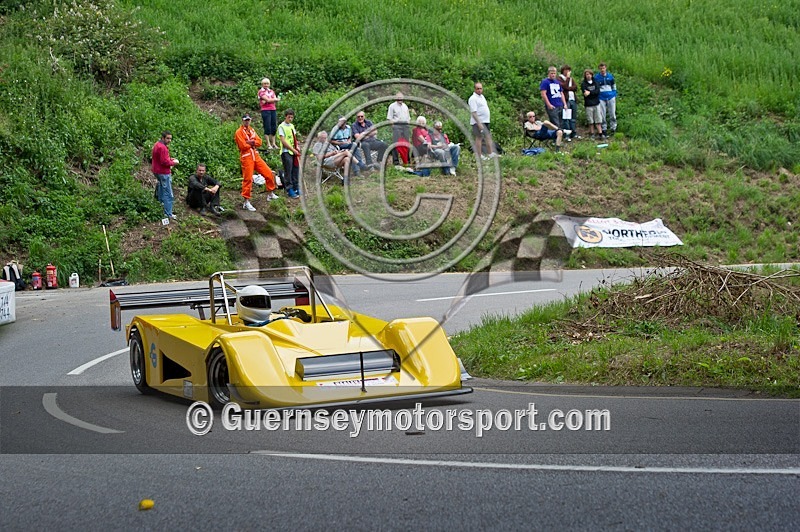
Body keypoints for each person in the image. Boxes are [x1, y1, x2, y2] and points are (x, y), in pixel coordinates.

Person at [235, 114, 277, 211]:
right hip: (246, 157)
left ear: (250, 120)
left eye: (248, 120)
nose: (247, 121)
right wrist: (252, 143)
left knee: (268, 173)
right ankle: (246, 201)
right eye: (245, 120)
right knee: (248, 179)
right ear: (242, 120)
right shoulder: (239, 132)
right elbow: (242, 146)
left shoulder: (252, 130)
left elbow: (259, 142)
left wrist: (251, 142)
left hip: (255, 155)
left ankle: (270, 193)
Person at [151, 131, 179, 220]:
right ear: (163, 138)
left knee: (161, 189)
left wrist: (170, 159)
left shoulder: (157, 144)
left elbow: (161, 159)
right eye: (167, 138)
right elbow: (164, 162)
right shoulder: (162, 147)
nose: (169, 140)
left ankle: (159, 207)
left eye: (170, 138)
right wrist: (174, 163)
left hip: (157, 170)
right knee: (168, 194)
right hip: (163, 172)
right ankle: (168, 213)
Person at [277, 109, 301, 198]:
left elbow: (294, 138)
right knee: (288, 170)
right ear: (285, 116)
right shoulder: (281, 127)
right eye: (289, 117)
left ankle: (296, 186)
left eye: (292, 117)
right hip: (286, 151)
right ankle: (289, 188)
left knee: (295, 169)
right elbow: (283, 141)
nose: (290, 119)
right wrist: (292, 149)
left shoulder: (292, 126)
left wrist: (297, 146)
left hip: (294, 150)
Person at [468, 82, 494, 159]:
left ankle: (490, 153)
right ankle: (479, 155)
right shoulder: (473, 99)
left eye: (480, 88)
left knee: (488, 137)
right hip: (478, 121)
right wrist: (479, 123)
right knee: (479, 137)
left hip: (486, 120)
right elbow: (474, 112)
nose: (479, 90)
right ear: (474, 89)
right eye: (478, 88)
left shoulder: (482, 97)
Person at [387, 92, 410, 165]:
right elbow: (389, 118)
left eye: (401, 97)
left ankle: (407, 161)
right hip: (397, 126)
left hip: (405, 126)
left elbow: (408, 117)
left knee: (406, 144)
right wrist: (393, 126)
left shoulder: (405, 106)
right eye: (398, 97)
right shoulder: (392, 106)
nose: (400, 99)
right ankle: (396, 161)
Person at [595, 62, 617, 136]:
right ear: (599, 69)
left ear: (606, 68)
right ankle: (604, 128)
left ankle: (613, 128)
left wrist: (613, 94)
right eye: (601, 68)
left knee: (612, 113)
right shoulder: (596, 78)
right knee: (602, 114)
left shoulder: (610, 76)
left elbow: (614, 86)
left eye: (603, 68)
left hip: (610, 96)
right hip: (601, 97)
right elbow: (596, 88)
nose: (602, 70)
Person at [581, 68, 604, 139]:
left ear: (592, 75)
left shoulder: (595, 82)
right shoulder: (583, 84)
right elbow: (585, 93)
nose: (588, 76)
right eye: (587, 74)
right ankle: (592, 133)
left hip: (596, 103)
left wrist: (590, 92)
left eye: (589, 74)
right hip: (588, 104)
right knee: (590, 120)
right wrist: (590, 93)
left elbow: (597, 91)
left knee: (598, 119)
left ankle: (600, 133)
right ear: (585, 75)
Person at [558, 65, 580, 141]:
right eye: (566, 70)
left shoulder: (571, 79)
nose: (567, 72)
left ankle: (573, 132)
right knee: (566, 118)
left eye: (568, 70)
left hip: (572, 99)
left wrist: (568, 88)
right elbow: (563, 86)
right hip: (565, 100)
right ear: (562, 71)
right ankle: (567, 134)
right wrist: (567, 79)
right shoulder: (559, 78)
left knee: (573, 118)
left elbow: (575, 87)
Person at [257, 78, 280, 150]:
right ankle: (268, 144)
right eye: (264, 84)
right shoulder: (261, 91)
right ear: (262, 84)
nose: (266, 85)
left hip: (273, 109)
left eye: (267, 83)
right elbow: (269, 99)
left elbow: (270, 100)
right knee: (267, 126)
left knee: (274, 126)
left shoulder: (271, 91)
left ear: (269, 84)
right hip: (265, 110)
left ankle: (273, 143)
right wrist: (273, 100)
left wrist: (270, 100)